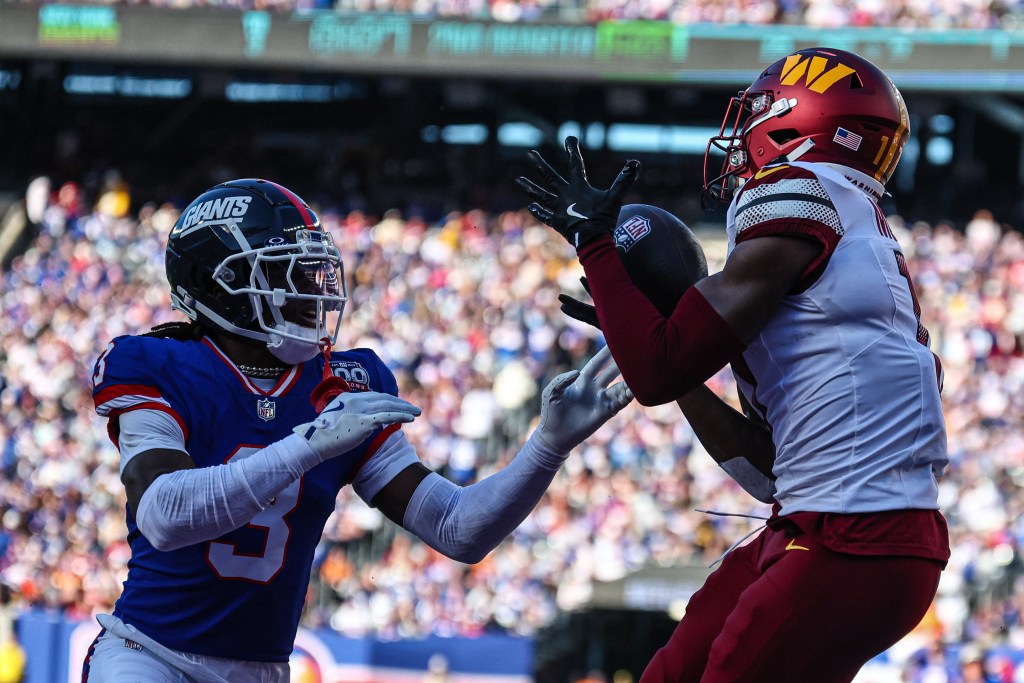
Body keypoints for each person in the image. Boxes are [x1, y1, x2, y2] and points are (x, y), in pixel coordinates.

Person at [83, 178, 633, 682]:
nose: (310, 289)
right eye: (283, 272)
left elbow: (458, 528)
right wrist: (308, 444)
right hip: (146, 656)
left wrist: (548, 445)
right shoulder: (157, 363)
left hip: (262, 671)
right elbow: (162, 515)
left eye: (312, 270)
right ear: (218, 285)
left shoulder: (342, 380)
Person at [518, 47, 949, 683]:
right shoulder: (857, 232)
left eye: (754, 116)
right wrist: (654, 326)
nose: (740, 140)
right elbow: (768, 469)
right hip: (831, 525)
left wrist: (596, 245)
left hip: (852, 537)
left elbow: (657, 372)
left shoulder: (799, 192)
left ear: (794, 120)